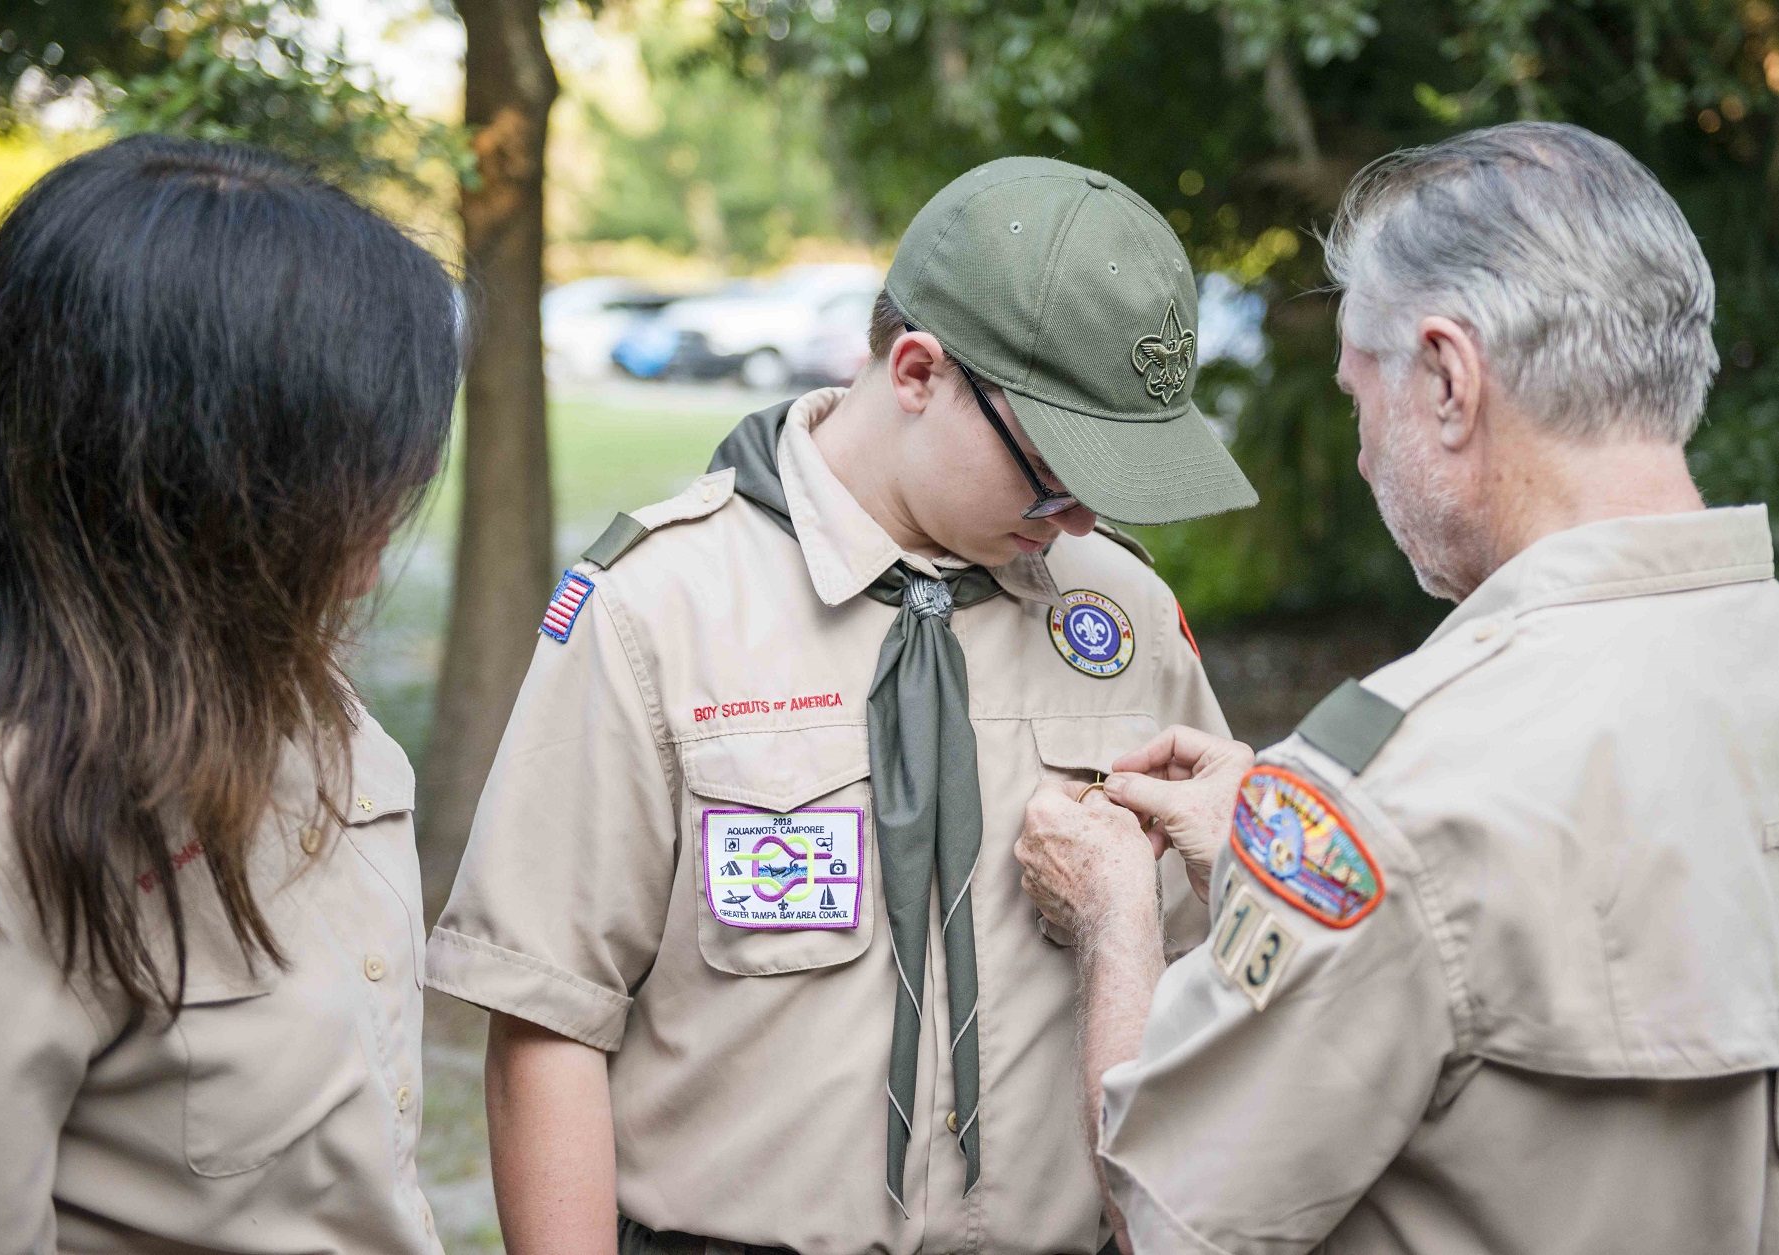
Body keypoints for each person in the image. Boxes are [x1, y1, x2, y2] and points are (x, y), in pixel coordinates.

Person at [1012, 121, 1779, 1255]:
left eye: (1362, 403)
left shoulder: (1391, 780)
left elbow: (1166, 1217)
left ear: (1449, 381)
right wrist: (1274, 874)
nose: (1363, 457)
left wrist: (1116, 911)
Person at [429, 156, 1259, 1255]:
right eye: (1054, 473)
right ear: (917, 371)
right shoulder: (659, 607)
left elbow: (1209, 992)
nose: (1072, 524)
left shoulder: (1126, 613)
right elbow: (547, 1019)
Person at [0, 136, 459, 1253]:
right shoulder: (6, 830)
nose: (382, 530)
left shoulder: (309, 702)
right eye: (355, 474)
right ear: (209, 490)